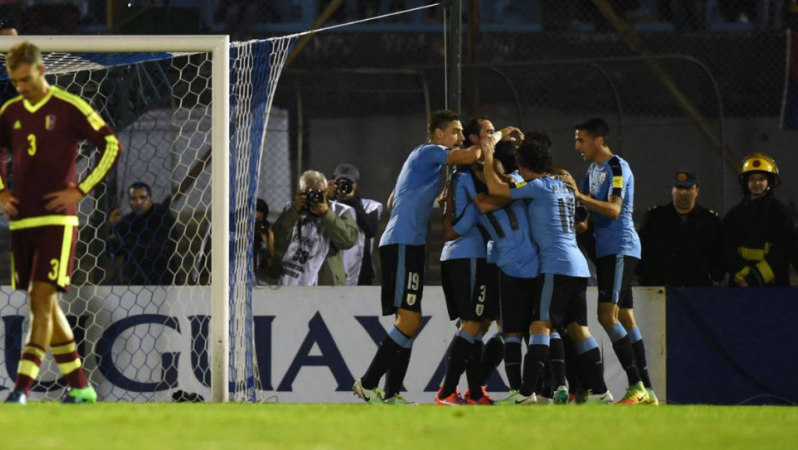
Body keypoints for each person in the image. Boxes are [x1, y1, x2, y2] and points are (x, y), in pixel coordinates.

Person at [353, 109, 521, 405]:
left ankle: (391, 394)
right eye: (454, 131)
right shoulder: (428, 151)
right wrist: (501, 134)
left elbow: (394, 200)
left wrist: (424, 197)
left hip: (410, 243)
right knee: (409, 319)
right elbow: (471, 156)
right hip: (403, 243)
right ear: (438, 134)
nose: (458, 137)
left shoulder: (425, 163)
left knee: (409, 320)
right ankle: (367, 384)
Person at [0, 41, 123, 404]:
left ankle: (21, 388)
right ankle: (81, 387)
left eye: (25, 79)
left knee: (40, 298)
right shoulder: (9, 112)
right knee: (46, 305)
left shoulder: (69, 108)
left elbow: (111, 144)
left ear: (42, 71)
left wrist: (80, 190)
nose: (20, 86)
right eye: (14, 80)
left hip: (58, 221)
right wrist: (2, 192)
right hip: (21, 222)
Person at [480, 132, 613, 405]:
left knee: (539, 325)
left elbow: (496, 188)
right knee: (579, 330)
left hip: (556, 265)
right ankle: (602, 393)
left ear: (525, 164)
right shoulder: (562, 183)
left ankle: (527, 394)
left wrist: (488, 156)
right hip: (579, 266)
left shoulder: (538, 186)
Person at [562, 117, 656, 405]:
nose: (577, 145)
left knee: (607, 316)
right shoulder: (593, 170)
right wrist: (579, 220)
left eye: (582, 140)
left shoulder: (617, 167)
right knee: (625, 317)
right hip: (606, 250)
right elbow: (588, 216)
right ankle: (648, 391)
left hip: (619, 248)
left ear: (598, 140)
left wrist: (579, 196)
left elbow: (614, 210)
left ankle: (636, 386)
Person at [435, 116, 502, 406]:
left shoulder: (464, 176)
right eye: (488, 133)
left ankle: (475, 391)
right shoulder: (467, 177)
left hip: (468, 256)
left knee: (479, 324)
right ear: (475, 140)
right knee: (475, 324)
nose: (493, 137)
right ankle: (448, 391)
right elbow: (479, 209)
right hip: (467, 256)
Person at [637, 170, 724, 287]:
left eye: (688, 189)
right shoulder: (655, 217)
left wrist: (716, 276)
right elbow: (642, 248)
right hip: (661, 285)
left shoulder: (709, 220)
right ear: (672, 190)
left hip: (697, 286)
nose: (683, 193)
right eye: (679, 188)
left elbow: (717, 253)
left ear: (696, 190)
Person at [272, 170, 358, 286]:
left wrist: (326, 214)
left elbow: (347, 241)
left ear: (326, 191)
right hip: (291, 280)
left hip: (326, 280)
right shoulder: (292, 209)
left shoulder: (340, 211)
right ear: (302, 192)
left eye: (319, 192)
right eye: (310, 192)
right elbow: (277, 240)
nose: (315, 197)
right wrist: (294, 211)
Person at [723, 153, 793, 287]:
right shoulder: (733, 215)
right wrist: (742, 276)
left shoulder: (781, 214)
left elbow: (783, 251)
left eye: (761, 179)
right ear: (746, 183)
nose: (757, 183)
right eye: (752, 179)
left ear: (770, 182)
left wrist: (753, 278)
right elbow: (726, 250)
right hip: (741, 286)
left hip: (773, 287)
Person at [108, 182, 178, 285]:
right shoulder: (127, 221)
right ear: (129, 201)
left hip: (161, 279)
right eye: (134, 199)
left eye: (142, 198)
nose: (138, 202)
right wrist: (113, 228)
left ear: (151, 199)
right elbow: (116, 251)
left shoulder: (162, 217)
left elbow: (162, 247)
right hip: (134, 281)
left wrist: (130, 245)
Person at [329, 163, 383, 286]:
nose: (344, 187)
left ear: (355, 185)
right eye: (340, 182)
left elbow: (370, 230)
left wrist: (352, 201)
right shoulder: (326, 206)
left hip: (361, 273)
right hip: (332, 270)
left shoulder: (370, 206)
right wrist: (326, 195)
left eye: (348, 183)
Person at [253, 198, 274, 285]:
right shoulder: (229, 232)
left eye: (258, 221)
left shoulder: (263, 236)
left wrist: (268, 238)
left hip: (258, 281)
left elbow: (274, 265)